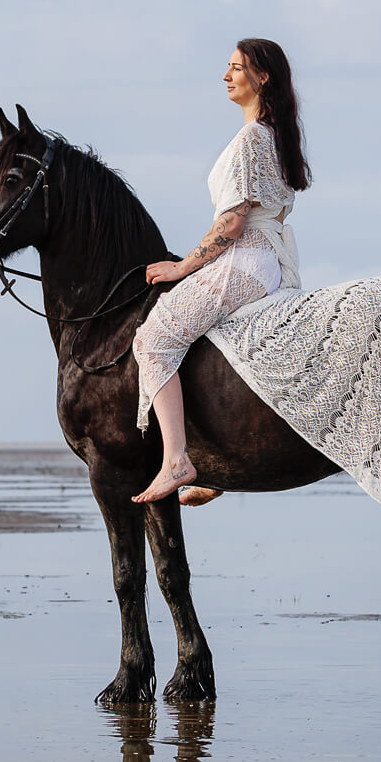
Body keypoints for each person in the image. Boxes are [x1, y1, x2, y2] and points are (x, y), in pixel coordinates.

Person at [131, 38, 312, 504]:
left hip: (246, 260)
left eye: (235, 68)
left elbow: (231, 223)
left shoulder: (251, 139)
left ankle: (177, 461)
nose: (226, 76)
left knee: (153, 339)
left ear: (262, 76)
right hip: (272, 264)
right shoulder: (275, 135)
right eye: (227, 68)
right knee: (222, 346)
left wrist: (181, 267)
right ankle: (217, 471)